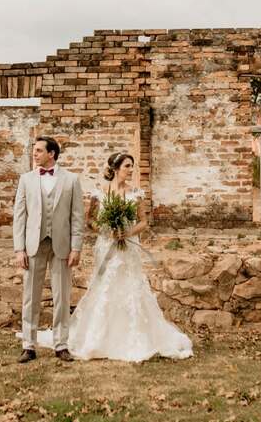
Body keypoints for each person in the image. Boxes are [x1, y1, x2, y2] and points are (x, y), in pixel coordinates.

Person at [30, 152, 193, 362]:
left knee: (130, 286)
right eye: (127, 166)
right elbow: (90, 221)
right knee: (105, 286)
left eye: (132, 167)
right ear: (116, 169)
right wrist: (107, 231)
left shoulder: (135, 193)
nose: (130, 170)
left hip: (128, 248)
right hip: (106, 246)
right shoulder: (100, 192)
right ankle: (98, 337)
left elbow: (144, 222)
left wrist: (127, 233)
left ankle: (134, 337)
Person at [13, 136, 84, 363]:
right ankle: (28, 345)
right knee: (30, 297)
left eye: (39, 150)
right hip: (33, 244)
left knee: (62, 296)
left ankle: (61, 344)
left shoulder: (72, 180)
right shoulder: (26, 180)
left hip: (62, 246)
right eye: (34, 150)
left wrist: (76, 247)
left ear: (51, 153)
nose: (34, 154)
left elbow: (77, 217)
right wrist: (19, 249)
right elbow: (19, 216)